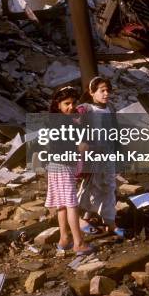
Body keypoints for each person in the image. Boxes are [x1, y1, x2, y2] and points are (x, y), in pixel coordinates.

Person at [45, 86, 93, 255]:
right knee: (72, 205)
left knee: (62, 205)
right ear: (58, 104)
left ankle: (64, 239)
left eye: (73, 103)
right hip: (64, 166)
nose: (71, 107)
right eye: (66, 103)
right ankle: (78, 243)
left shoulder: (55, 120)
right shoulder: (64, 122)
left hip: (55, 167)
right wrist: (80, 148)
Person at [77, 76, 125, 238]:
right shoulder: (86, 109)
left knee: (108, 187)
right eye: (101, 90)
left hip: (108, 155)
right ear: (91, 92)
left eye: (107, 90)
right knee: (90, 187)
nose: (106, 94)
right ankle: (82, 218)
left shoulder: (109, 108)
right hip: (92, 156)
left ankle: (108, 222)